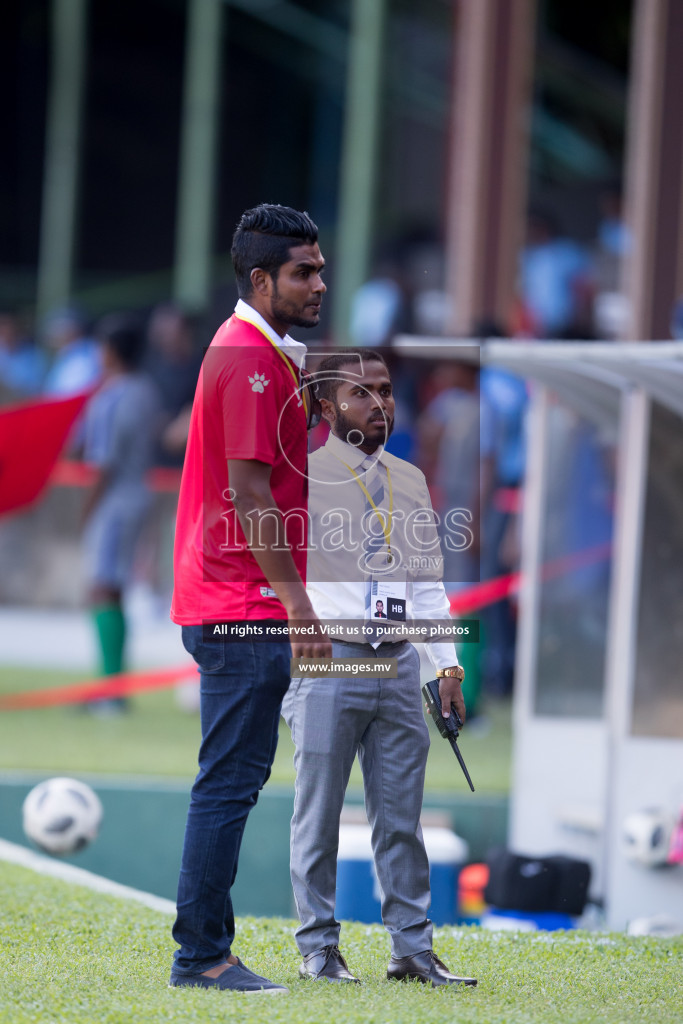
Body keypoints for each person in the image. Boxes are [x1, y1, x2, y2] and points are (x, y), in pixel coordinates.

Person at [169, 204, 331, 995]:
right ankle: (201, 956)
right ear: (260, 279)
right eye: (303, 271)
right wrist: (298, 606)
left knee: (229, 781)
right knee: (228, 785)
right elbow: (248, 493)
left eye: (320, 268)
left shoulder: (266, 355)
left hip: (237, 600)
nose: (319, 283)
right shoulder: (248, 356)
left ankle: (204, 950)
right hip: (241, 606)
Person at [282, 349, 478, 988]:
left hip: (397, 665)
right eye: (361, 393)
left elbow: (426, 585)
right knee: (319, 814)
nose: (379, 403)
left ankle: (412, 952)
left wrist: (445, 666)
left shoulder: (410, 480)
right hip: (328, 662)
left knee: (402, 818)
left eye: (387, 391)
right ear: (325, 406)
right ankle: (318, 948)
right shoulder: (300, 478)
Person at [81, 314, 161, 713]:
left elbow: (103, 462)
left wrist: (87, 509)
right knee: (113, 587)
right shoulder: (145, 390)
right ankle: (112, 686)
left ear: (109, 350)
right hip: (138, 493)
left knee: (103, 588)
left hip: (115, 501)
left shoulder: (110, 396)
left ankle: (111, 690)